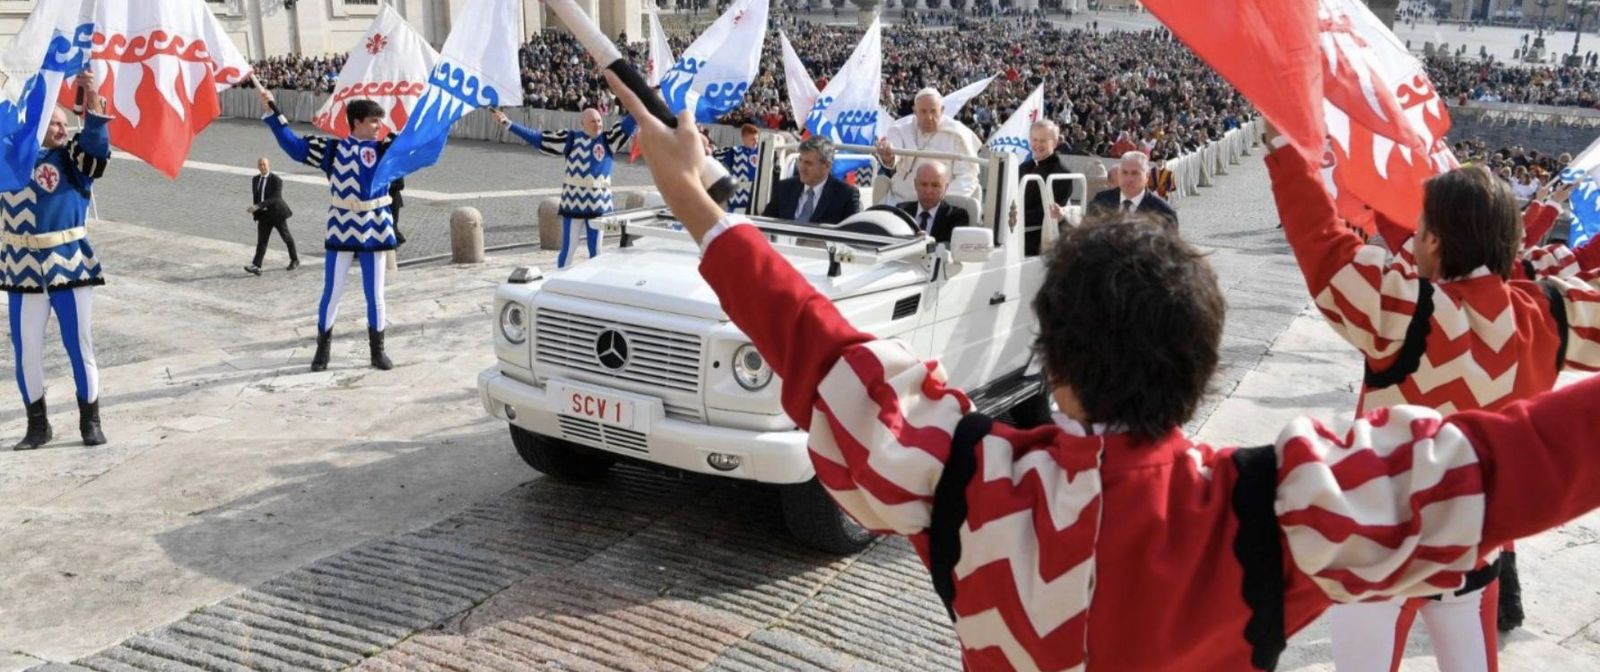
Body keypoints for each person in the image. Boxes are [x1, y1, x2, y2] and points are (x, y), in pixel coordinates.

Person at [605, 69, 1600, 670]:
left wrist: (698, 197)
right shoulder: (1269, 513)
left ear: (1055, 364)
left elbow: (817, 342)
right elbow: (1522, 456)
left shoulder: (962, 481)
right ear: (1200, 367)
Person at [1265, 128, 1600, 670]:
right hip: (1475, 550)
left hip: (1383, 554)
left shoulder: (1404, 309)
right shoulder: (1547, 315)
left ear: (1436, 241)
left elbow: (1325, 249)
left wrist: (1286, 149)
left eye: (1420, 227)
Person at [4, 73, 110, 450]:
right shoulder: (10, 158)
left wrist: (93, 95)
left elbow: (96, 146)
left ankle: (90, 422)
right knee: (27, 349)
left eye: (65, 123)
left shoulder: (75, 160)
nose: (62, 128)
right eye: (55, 122)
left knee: (79, 346)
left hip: (70, 265)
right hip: (22, 267)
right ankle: (37, 425)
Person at [259, 90, 396, 372]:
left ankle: (377, 351)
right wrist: (274, 113)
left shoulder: (387, 148)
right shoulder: (333, 149)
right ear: (356, 122)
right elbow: (295, 146)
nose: (378, 126)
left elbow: (420, 146)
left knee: (376, 293)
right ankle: (322, 350)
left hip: (375, 226)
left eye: (379, 121)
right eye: (373, 121)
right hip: (342, 228)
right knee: (332, 291)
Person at [494, 107, 631, 268]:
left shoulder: (609, 140)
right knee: (568, 250)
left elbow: (629, 124)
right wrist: (509, 124)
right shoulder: (570, 139)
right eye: (593, 121)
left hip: (599, 206)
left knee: (596, 251)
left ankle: (594, 285)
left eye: (599, 120)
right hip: (574, 205)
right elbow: (538, 138)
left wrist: (644, 99)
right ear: (583, 124)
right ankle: (560, 281)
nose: (597, 124)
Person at [875, 88, 982, 205]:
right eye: (923, 111)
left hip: (943, 204)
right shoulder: (901, 129)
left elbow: (967, 176)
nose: (929, 117)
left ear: (942, 111)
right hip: (902, 199)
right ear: (915, 111)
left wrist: (942, 203)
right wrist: (888, 154)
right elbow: (893, 152)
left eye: (933, 111)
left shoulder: (958, 134)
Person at [761, 137, 861, 224]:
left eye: (808, 163)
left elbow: (853, 237)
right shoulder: (784, 188)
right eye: (800, 160)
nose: (801, 167)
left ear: (827, 165)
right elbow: (766, 224)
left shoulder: (846, 196)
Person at [1018, 119, 1074, 256]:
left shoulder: (1062, 174)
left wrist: (1013, 218)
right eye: (1034, 140)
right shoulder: (1023, 167)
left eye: (1043, 141)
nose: (1037, 145)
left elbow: (1045, 214)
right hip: (1014, 230)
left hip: (1035, 239)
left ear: (1054, 143)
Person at [1089, 151, 1179, 226]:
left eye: (1135, 173)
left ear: (1147, 176)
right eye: (1124, 172)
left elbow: (1168, 246)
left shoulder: (1163, 212)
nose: (1129, 179)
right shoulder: (1101, 201)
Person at [245, 156, 299, 275]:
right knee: (262, 241)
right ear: (258, 166)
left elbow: (276, 198)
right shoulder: (255, 179)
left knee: (286, 237)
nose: (262, 166)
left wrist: (258, 205)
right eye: (260, 164)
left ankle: (294, 260)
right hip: (263, 215)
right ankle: (257, 266)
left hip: (277, 213)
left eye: (264, 164)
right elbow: (257, 196)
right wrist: (255, 210)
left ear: (269, 166)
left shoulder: (276, 180)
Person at [896, 161, 969, 243]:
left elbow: (952, 248)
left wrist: (930, 243)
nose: (928, 191)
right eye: (924, 184)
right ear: (915, 184)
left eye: (935, 185)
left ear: (945, 187)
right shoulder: (901, 211)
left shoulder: (957, 217)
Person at [711, 123, 761, 213]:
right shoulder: (734, 152)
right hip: (736, 202)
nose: (756, 142)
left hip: (756, 200)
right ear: (744, 138)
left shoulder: (762, 152)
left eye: (757, 139)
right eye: (753, 139)